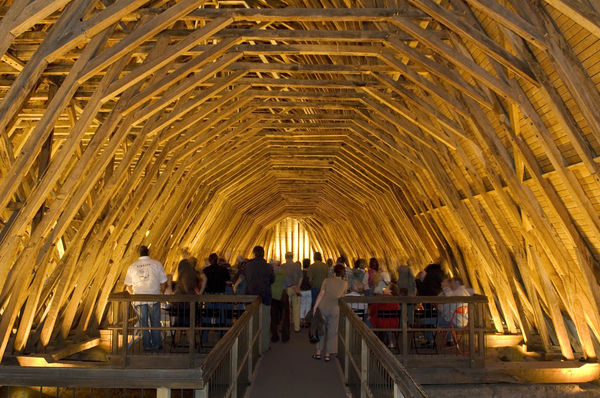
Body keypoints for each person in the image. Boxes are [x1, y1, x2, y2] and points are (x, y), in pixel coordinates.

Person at [124, 245, 167, 352]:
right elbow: (163, 282)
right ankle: (157, 344)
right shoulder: (156, 264)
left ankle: (147, 345)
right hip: (154, 297)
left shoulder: (132, 267)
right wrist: (160, 292)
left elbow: (128, 286)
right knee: (155, 322)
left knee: (143, 323)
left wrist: (134, 293)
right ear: (148, 252)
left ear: (138, 253)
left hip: (139, 299)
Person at [312, 263, 348, 362]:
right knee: (332, 331)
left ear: (334, 272)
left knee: (321, 330)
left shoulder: (326, 281)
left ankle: (318, 352)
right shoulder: (345, 283)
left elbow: (321, 294)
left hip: (323, 306)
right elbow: (342, 296)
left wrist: (315, 307)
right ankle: (328, 354)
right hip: (335, 308)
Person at [244, 246, 275, 355]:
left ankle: (251, 346)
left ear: (253, 254)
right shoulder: (268, 267)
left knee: (252, 322)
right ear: (263, 254)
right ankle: (264, 346)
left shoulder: (248, 266)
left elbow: (247, 279)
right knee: (265, 322)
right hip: (265, 296)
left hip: (251, 297)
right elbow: (272, 280)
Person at [282, 252, 303, 332]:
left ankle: (285, 327)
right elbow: (301, 277)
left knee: (286, 309)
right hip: (296, 288)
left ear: (285, 257)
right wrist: (298, 287)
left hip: (286, 289)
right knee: (296, 309)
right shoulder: (297, 266)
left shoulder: (283, 266)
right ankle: (297, 328)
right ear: (292, 257)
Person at [270, 260, 290, 343]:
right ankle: (284, 336)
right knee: (285, 316)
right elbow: (289, 283)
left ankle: (274, 336)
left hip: (272, 296)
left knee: (273, 317)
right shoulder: (284, 272)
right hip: (282, 295)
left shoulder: (270, 273)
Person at [299, 258, 312, 326]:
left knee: (302, 305)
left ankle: (301, 320)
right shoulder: (310, 272)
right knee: (308, 306)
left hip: (302, 291)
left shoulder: (300, 272)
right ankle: (306, 321)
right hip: (309, 291)